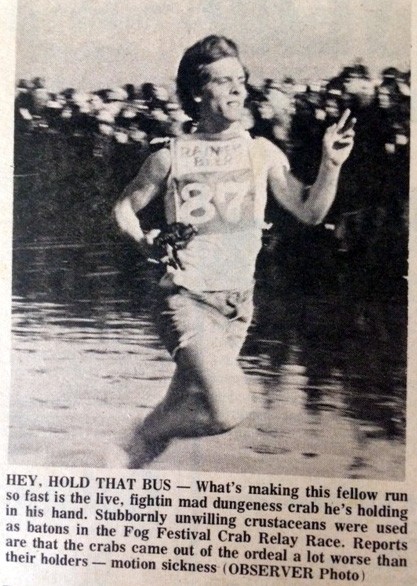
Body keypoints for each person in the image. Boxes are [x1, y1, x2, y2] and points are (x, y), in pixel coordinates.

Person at [113, 35, 355, 468]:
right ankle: (143, 434)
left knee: (183, 406)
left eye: (240, 80)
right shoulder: (170, 157)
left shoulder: (260, 151)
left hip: (237, 309)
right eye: (224, 82)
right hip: (186, 300)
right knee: (229, 410)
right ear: (196, 92)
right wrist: (144, 239)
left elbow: (310, 211)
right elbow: (124, 208)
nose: (238, 90)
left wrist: (331, 165)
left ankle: (118, 464)